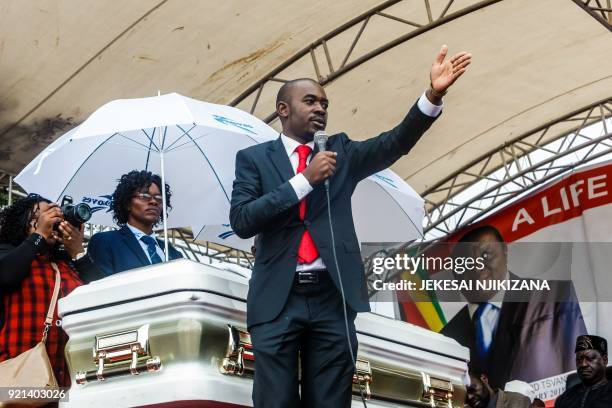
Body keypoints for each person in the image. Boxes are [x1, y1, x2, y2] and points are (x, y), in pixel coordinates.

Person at [230, 45, 471, 407]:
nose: (320, 109)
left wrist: (433, 95)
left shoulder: (340, 152)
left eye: (324, 104)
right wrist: (304, 181)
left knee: (330, 401)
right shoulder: (253, 160)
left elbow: (396, 142)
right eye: (310, 101)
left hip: (332, 297)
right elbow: (243, 220)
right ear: (283, 109)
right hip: (278, 298)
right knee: (274, 400)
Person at [440, 225, 586, 388]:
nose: (477, 267)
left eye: (486, 255)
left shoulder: (557, 296)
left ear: (505, 252)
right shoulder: (446, 338)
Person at [0, 194, 105, 386]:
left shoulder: (68, 265)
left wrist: (77, 251)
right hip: (17, 376)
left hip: (68, 377)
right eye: (42, 217)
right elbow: (7, 274)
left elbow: (102, 298)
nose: (51, 222)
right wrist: (38, 236)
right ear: (25, 222)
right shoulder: (6, 252)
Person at [88, 170, 182, 275]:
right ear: (127, 203)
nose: (154, 202)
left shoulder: (174, 254)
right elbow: (99, 286)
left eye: (159, 198)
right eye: (144, 196)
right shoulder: (105, 242)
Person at [554, 335, 612, 408]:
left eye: (590, 358)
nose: (583, 364)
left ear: (604, 360)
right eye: (579, 359)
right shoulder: (564, 398)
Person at [466, 369, 531, 408]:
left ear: (483, 379)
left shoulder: (517, 402)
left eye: (472, 389)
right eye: (464, 396)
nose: (469, 397)